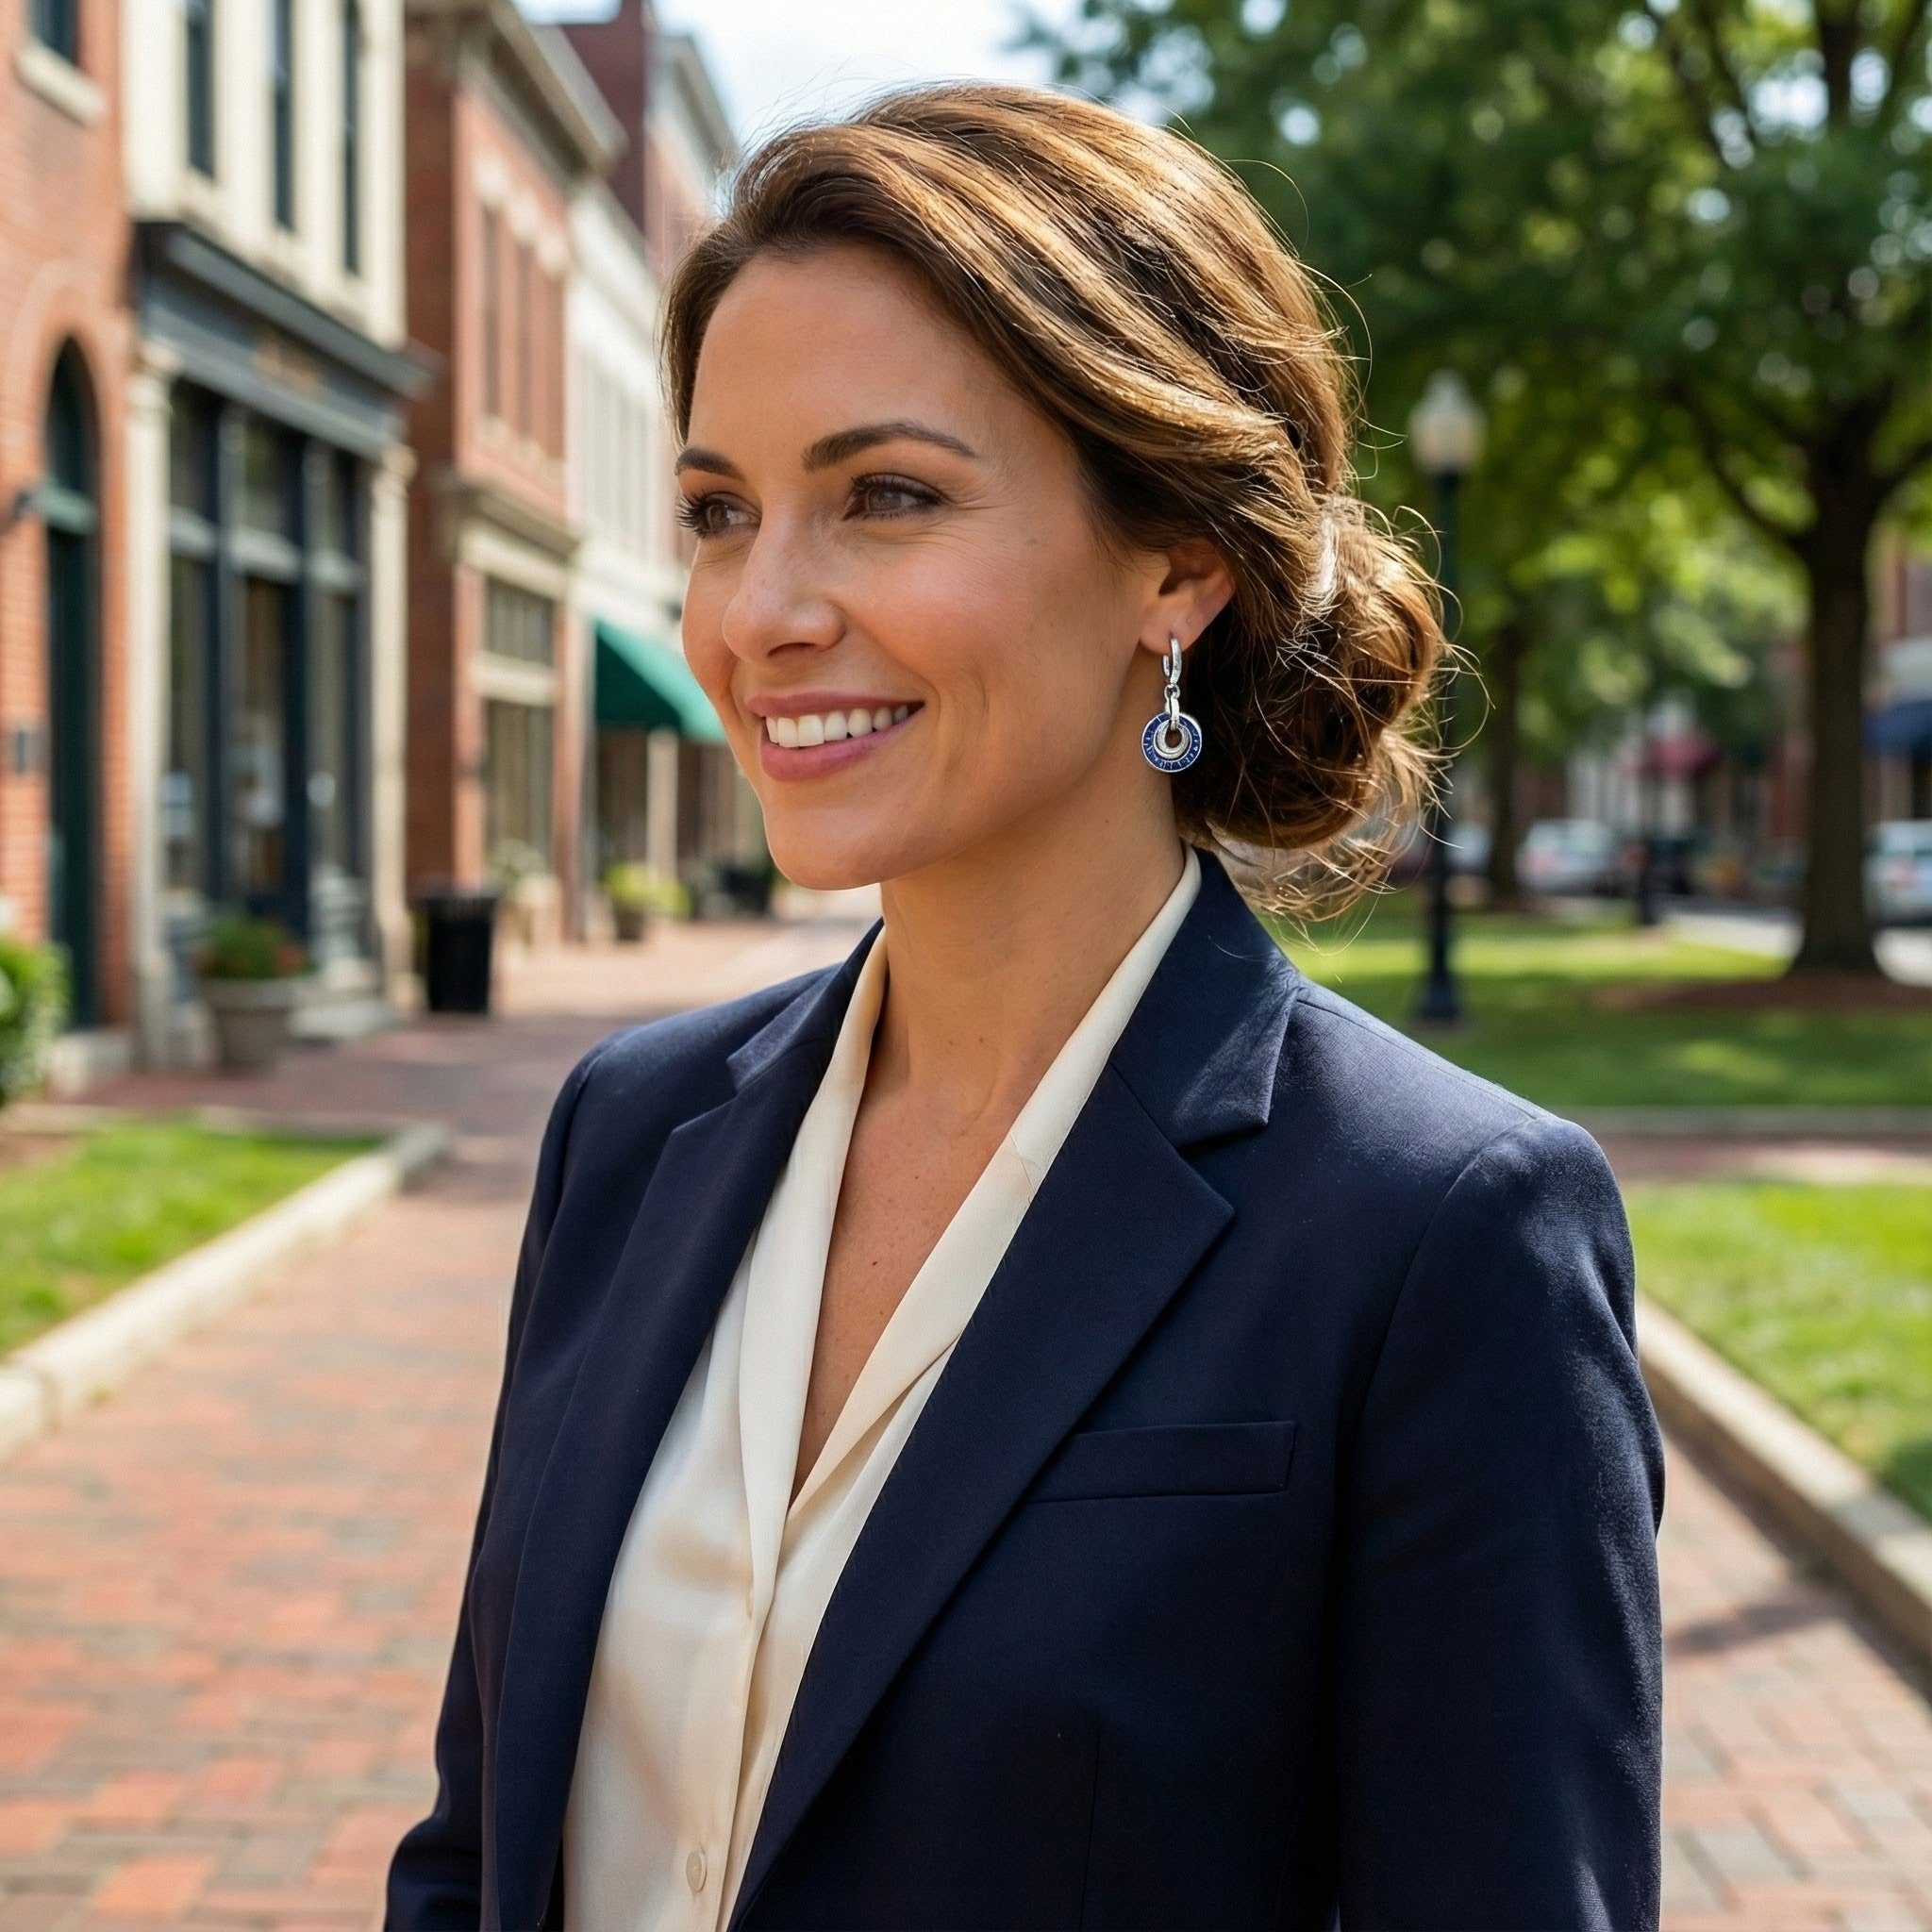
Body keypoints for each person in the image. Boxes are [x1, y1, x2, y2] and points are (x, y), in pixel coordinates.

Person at [388, 83, 1663, 1932]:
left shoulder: (1435, 1235)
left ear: (1174, 562)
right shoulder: (629, 1129)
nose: (759, 609)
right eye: (718, 510)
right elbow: (475, 1847)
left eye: (884, 496)